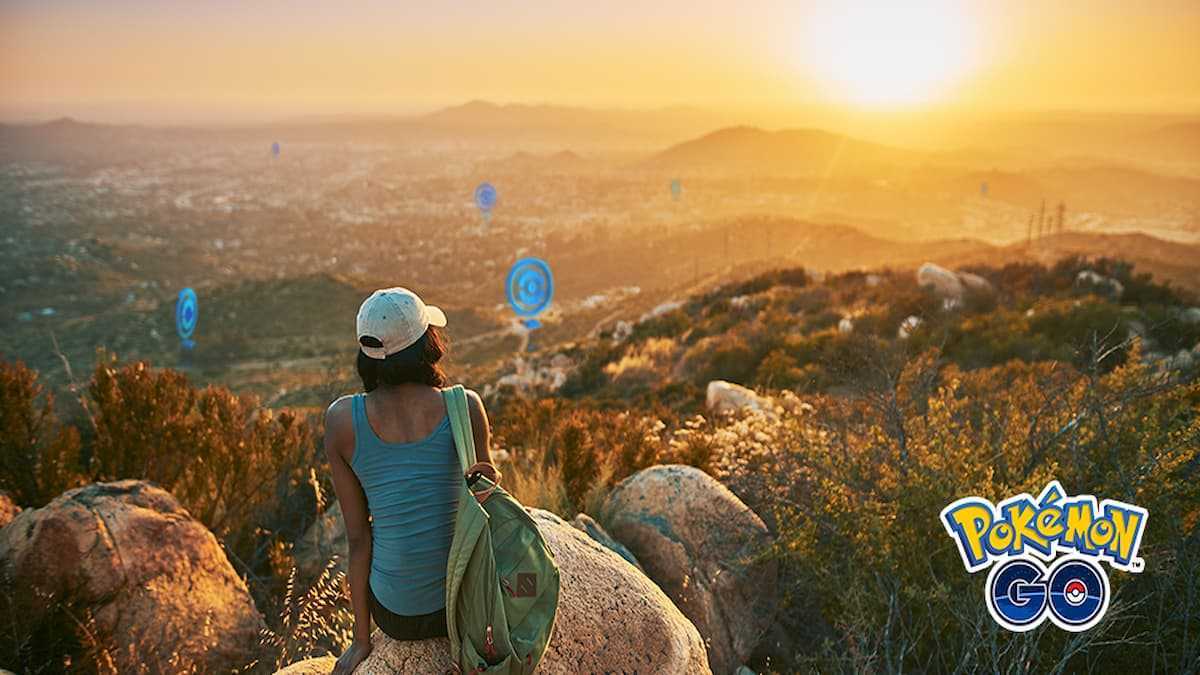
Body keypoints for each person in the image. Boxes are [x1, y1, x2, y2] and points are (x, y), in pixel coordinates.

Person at [324, 287, 495, 675]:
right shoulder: (466, 407)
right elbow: (487, 507)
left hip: (396, 615)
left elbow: (357, 539)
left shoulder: (341, 421)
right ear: (427, 344)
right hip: (461, 608)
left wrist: (361, 642)